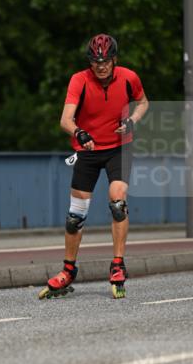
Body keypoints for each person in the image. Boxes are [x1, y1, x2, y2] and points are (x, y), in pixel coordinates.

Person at [40, 33, 149, 299]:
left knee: (117, 201)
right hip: (87, 148)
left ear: (114, 60)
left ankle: (117, 264)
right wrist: (79, 133)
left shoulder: (129, 77)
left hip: (119, 148)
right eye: (95, 61)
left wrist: (133, 120)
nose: (100, 66)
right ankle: (68, 270)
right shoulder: (79, 80)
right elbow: (65, 119)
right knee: (75, 216)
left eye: (105, 61)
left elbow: (144, 103)